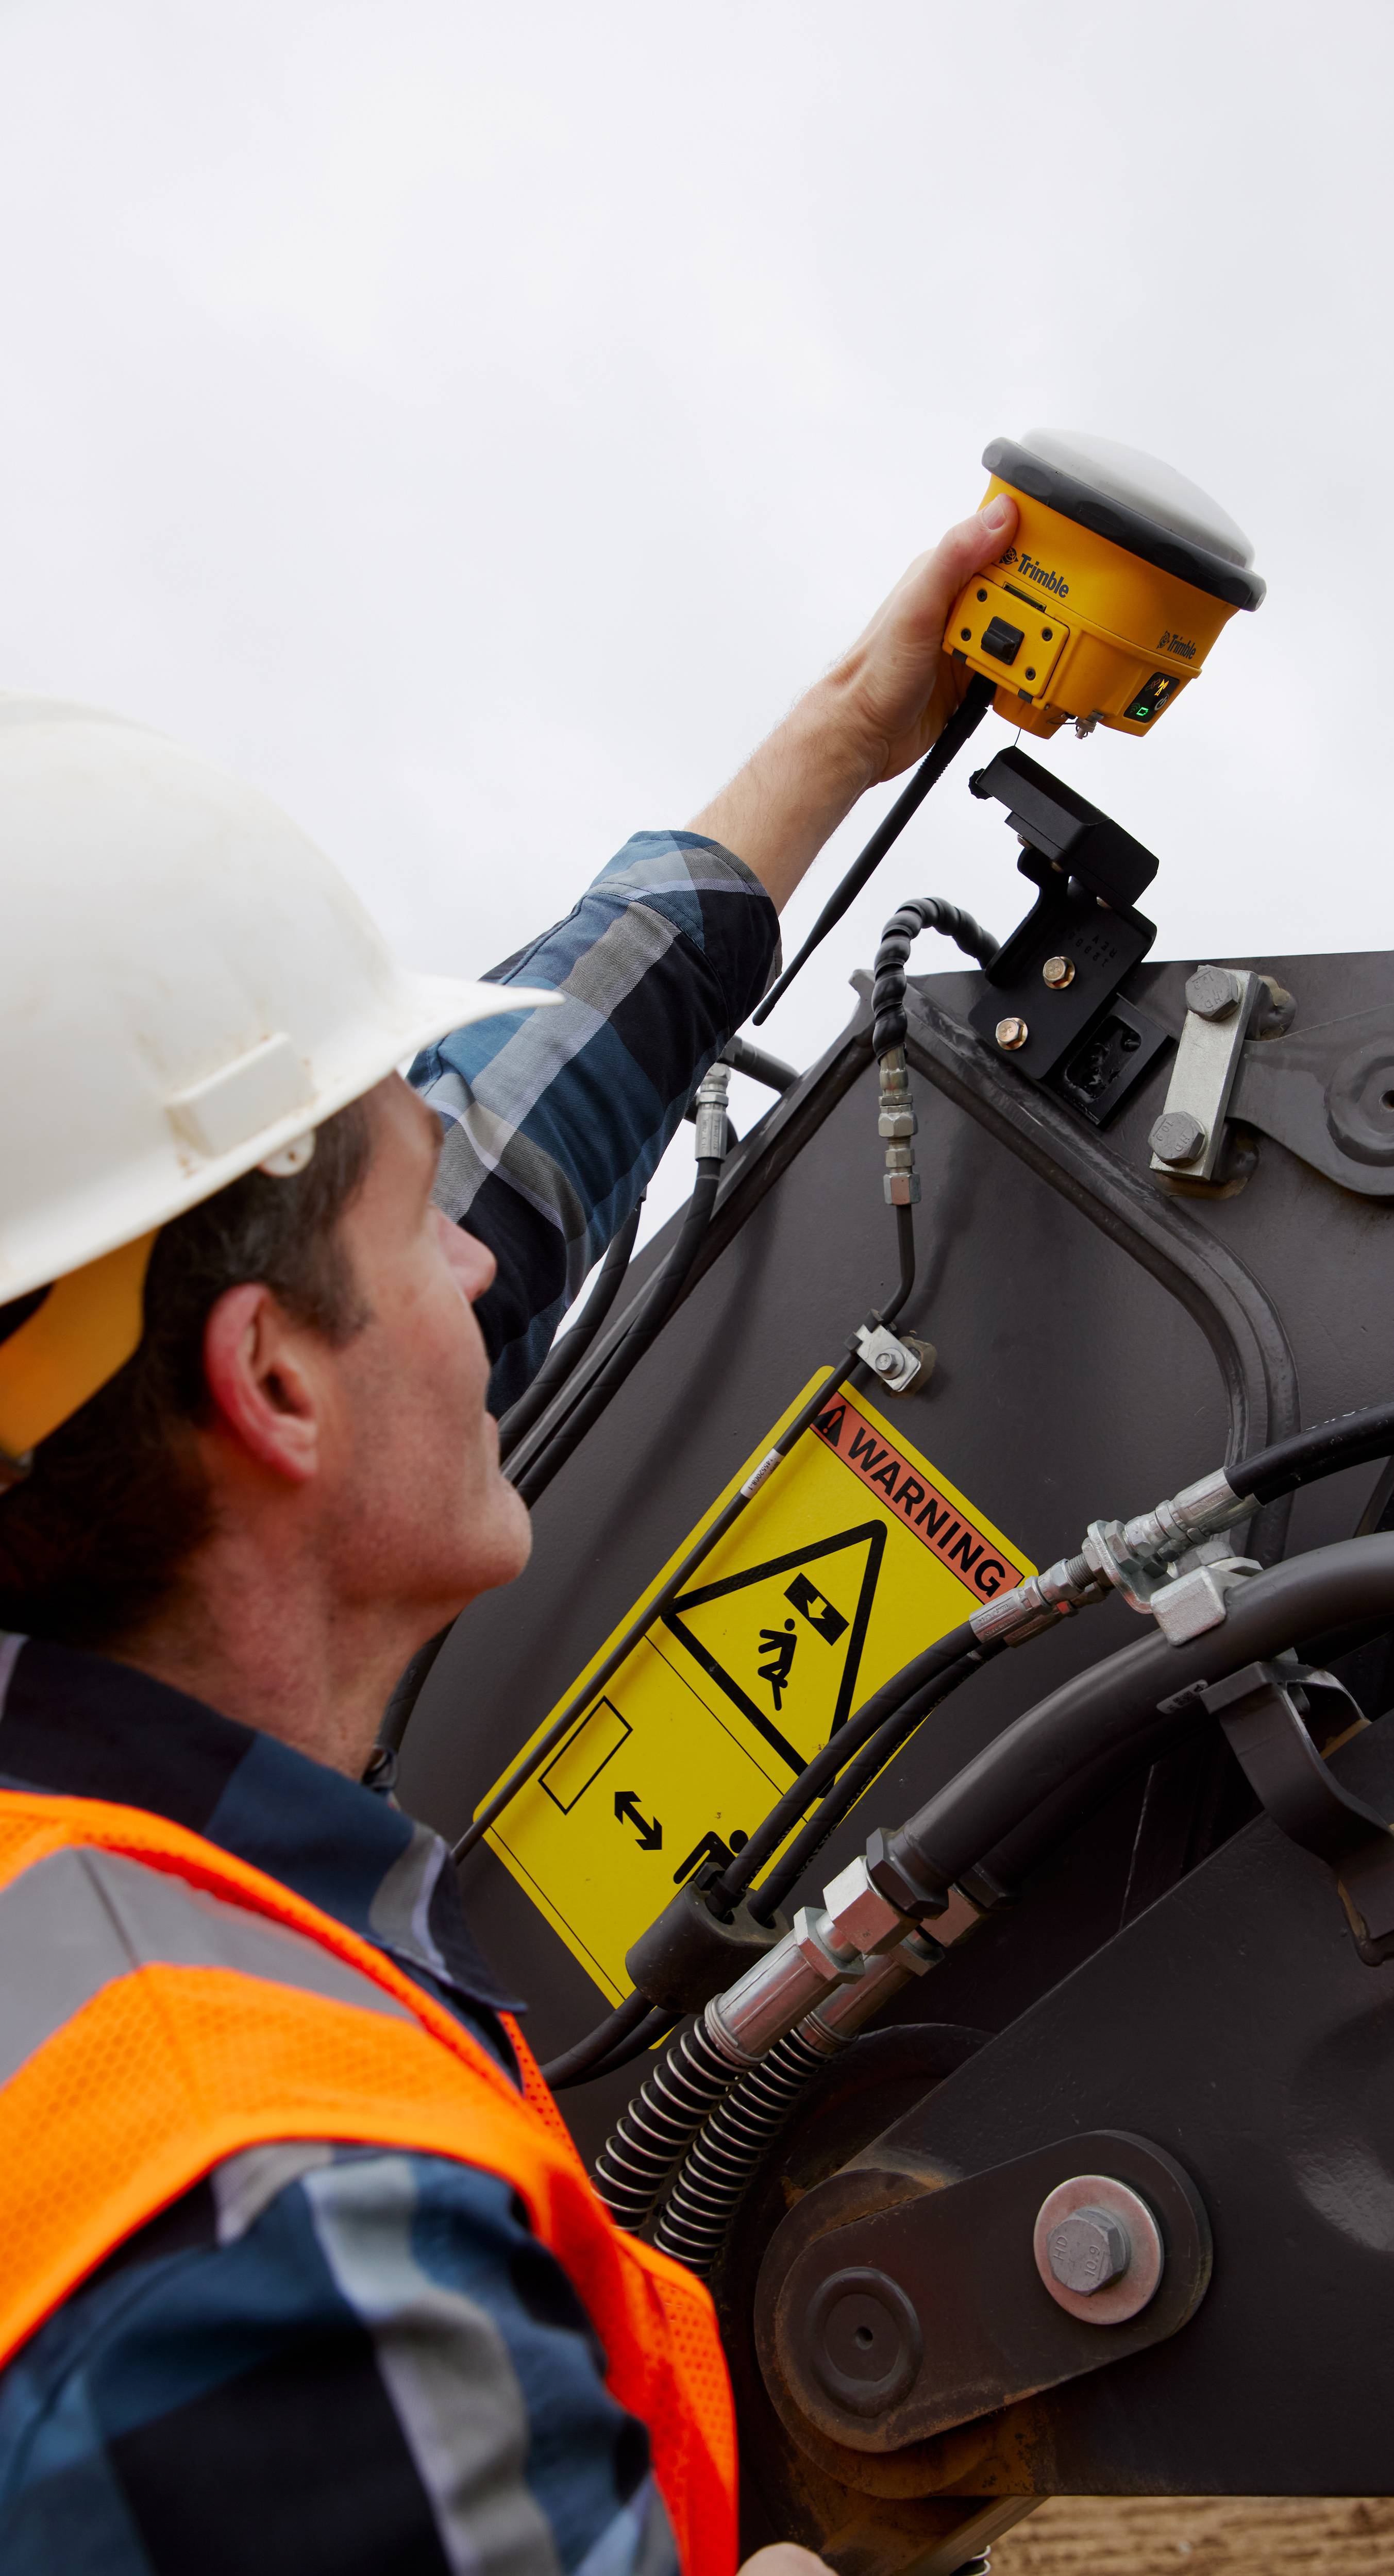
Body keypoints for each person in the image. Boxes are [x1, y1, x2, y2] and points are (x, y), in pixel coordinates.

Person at [0, 491, 1017, 2575]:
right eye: (413, 1205)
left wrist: (853, 717)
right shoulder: (279, 2243)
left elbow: (517, 1123)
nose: (484, 1256)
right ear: (273, 1387)